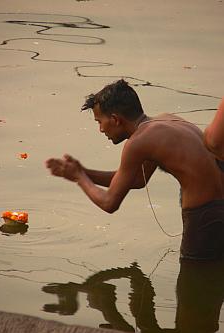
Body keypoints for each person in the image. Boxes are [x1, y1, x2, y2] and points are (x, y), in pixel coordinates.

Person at [46, 79, 224, 261]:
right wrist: (84, 171)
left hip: (205, 214)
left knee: (192, 282)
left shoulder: (138, 142)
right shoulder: (165, 121)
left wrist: (79, 178)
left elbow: (109, 203)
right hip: (218, 204)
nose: (100, 129)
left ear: (115, 120)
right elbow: (139, 179)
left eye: (100, 122)